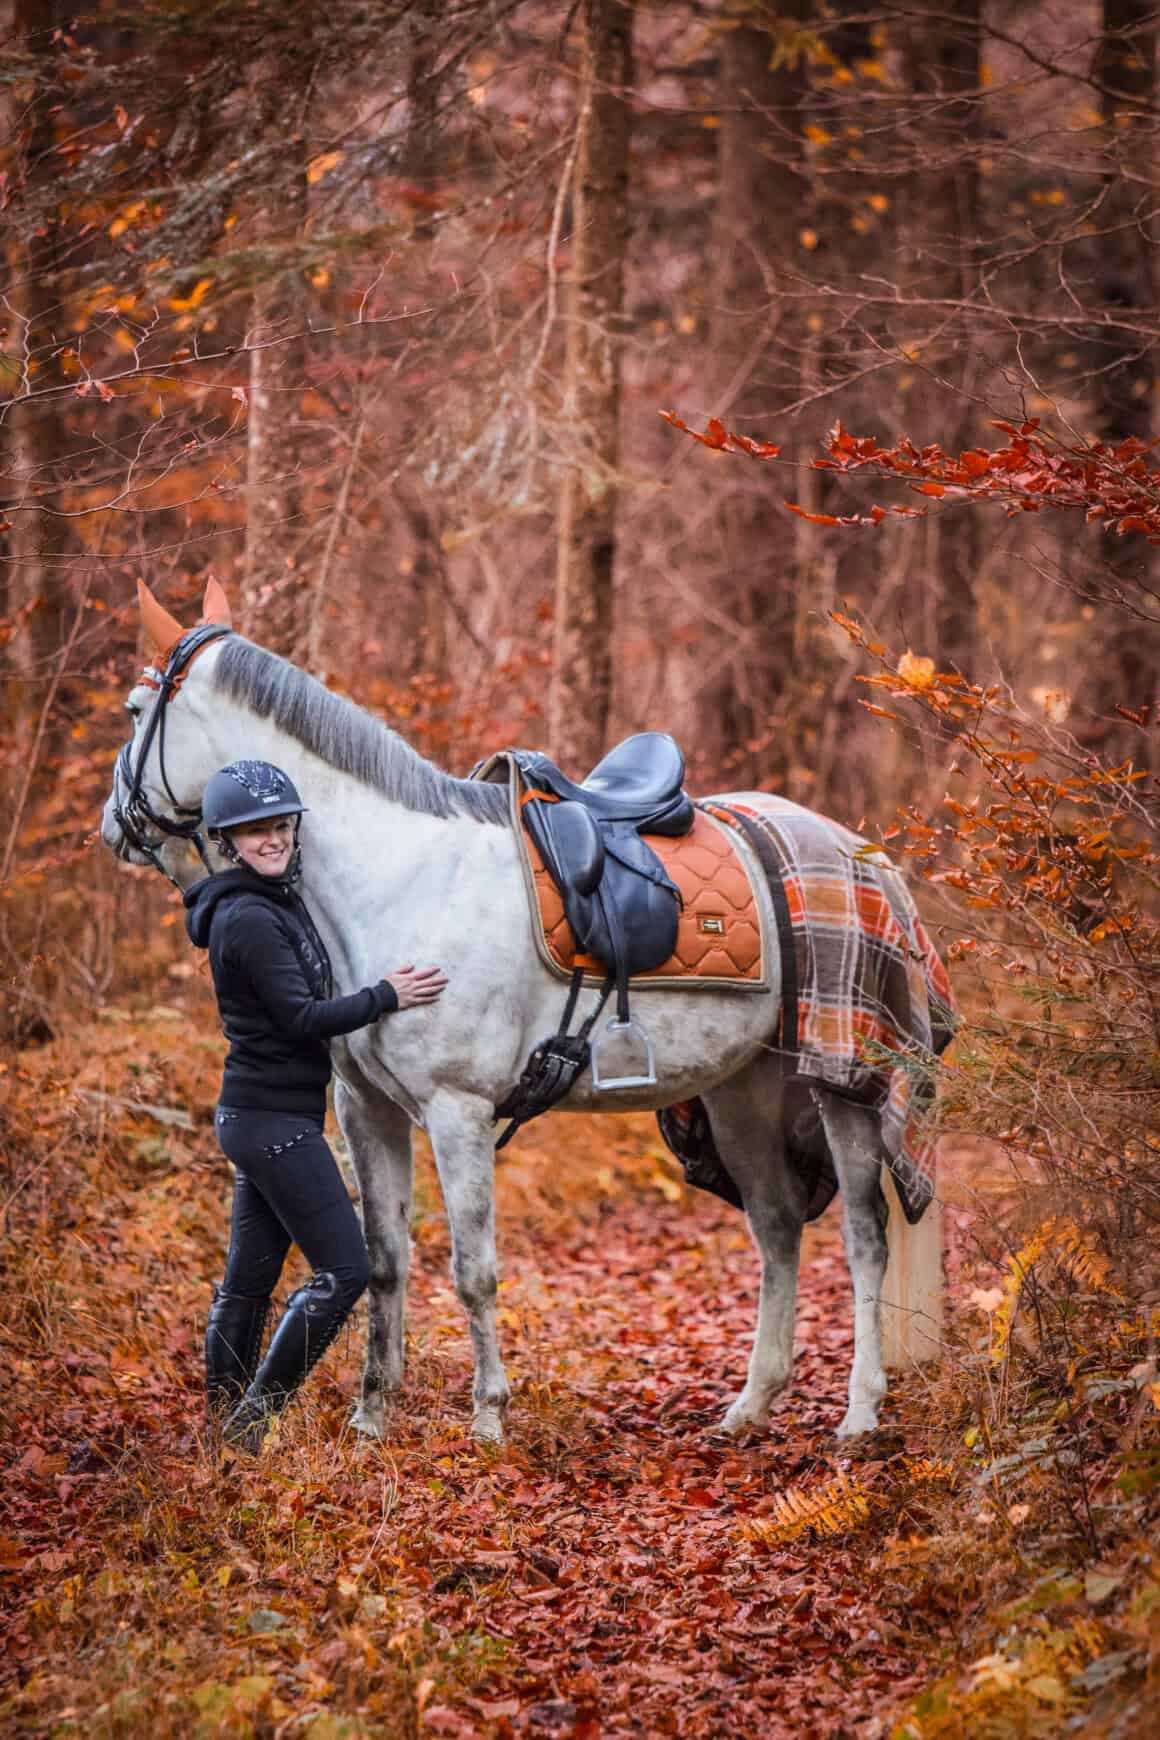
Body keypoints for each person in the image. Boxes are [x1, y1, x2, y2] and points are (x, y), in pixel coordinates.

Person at [183, 758, 446, 1452]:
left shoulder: (274, 900)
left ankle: (224, 1430)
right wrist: (388, 995)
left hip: (263, 1117)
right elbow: (302, 1017)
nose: (272, 838)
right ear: (227, 841)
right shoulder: (248, 918)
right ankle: (254, 1419)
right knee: (347, 1271)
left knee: (250, 1279)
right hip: (270, 1122)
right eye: (255, 831)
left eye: (280, 825)